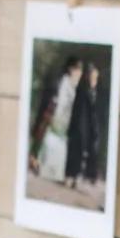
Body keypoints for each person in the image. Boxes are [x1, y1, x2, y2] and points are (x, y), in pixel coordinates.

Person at [30, 54, 82, 185]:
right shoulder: (62, 83)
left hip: (65, 123)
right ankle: (37, 164)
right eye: (78, 69)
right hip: (54, 119)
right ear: (71, 69)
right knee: (47, 142)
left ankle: (52, 171)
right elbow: (56, 102)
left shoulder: (74, 86)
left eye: (80, 70)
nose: (80, 72)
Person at [65, 61, 103, 193]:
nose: (95, 81)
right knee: (76, 152)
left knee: (85, 154)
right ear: (87, 78)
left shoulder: (94, 92)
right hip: (80, 130)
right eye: (93, 78)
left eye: (96, 78)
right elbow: (79, 114)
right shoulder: (82, 93)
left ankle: (82, 177)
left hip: (89, 129)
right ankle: (71, 177)